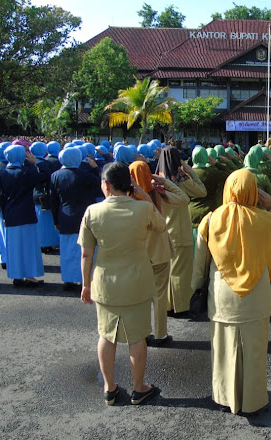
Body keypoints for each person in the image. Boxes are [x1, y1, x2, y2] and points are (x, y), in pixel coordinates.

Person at [192, 169, 271, 414]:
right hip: (255, 298)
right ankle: (252, 400)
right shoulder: (263, 218)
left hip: (221, 296)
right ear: (254, 192)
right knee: (254, 352)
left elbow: (200, 264)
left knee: (223, 349)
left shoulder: (210, 219)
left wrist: (197, 289)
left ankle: (225, 396)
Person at [79, 162, 167, 406]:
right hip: (137, 281)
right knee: (137, 337)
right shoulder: (142, 210)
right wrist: (146, 199)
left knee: (106, 335)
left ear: (106, 185)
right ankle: (139, 388)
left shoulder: (92, 212)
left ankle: (109, 387)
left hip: (106, 283)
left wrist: (86, 284)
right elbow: (161, 226)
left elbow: (86, 254)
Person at [129, 160, 190, 346]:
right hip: (160, 252)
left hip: (138, 255)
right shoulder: (158, 194)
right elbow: (184, 198)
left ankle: (143, 332)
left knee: (141, 296)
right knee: (160, 295)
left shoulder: (127, 199)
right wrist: (163, 182)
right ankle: (161, 334)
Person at [156, 147, 206, 316]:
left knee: (168, 270)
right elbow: (202, 191)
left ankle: (168, 304)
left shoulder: (157, 181)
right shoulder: (181, 180)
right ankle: (181, 306)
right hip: (180, 230)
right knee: (181, 271)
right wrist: (191, 171)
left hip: (163, 230)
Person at [0, 144, 51, 287]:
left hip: (11, 215)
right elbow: (45, 175)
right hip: (26, 213)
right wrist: (37, 162)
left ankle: (16, 275)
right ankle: (30, 276)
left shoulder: (2, 174)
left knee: (14, 247)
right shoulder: (26, 173)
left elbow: (1, 197)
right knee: (28, 246)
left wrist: (5, 215)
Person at [50, 147, 101, 290]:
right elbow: (101, 181)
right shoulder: (84, 175)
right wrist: (96, 167)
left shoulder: (55, 175)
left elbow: (53, 200)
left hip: (64, 216)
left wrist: (55, 220)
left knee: (67, 250)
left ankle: (68, 279)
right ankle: (83, 279)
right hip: (84, 216)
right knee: (85, 249)